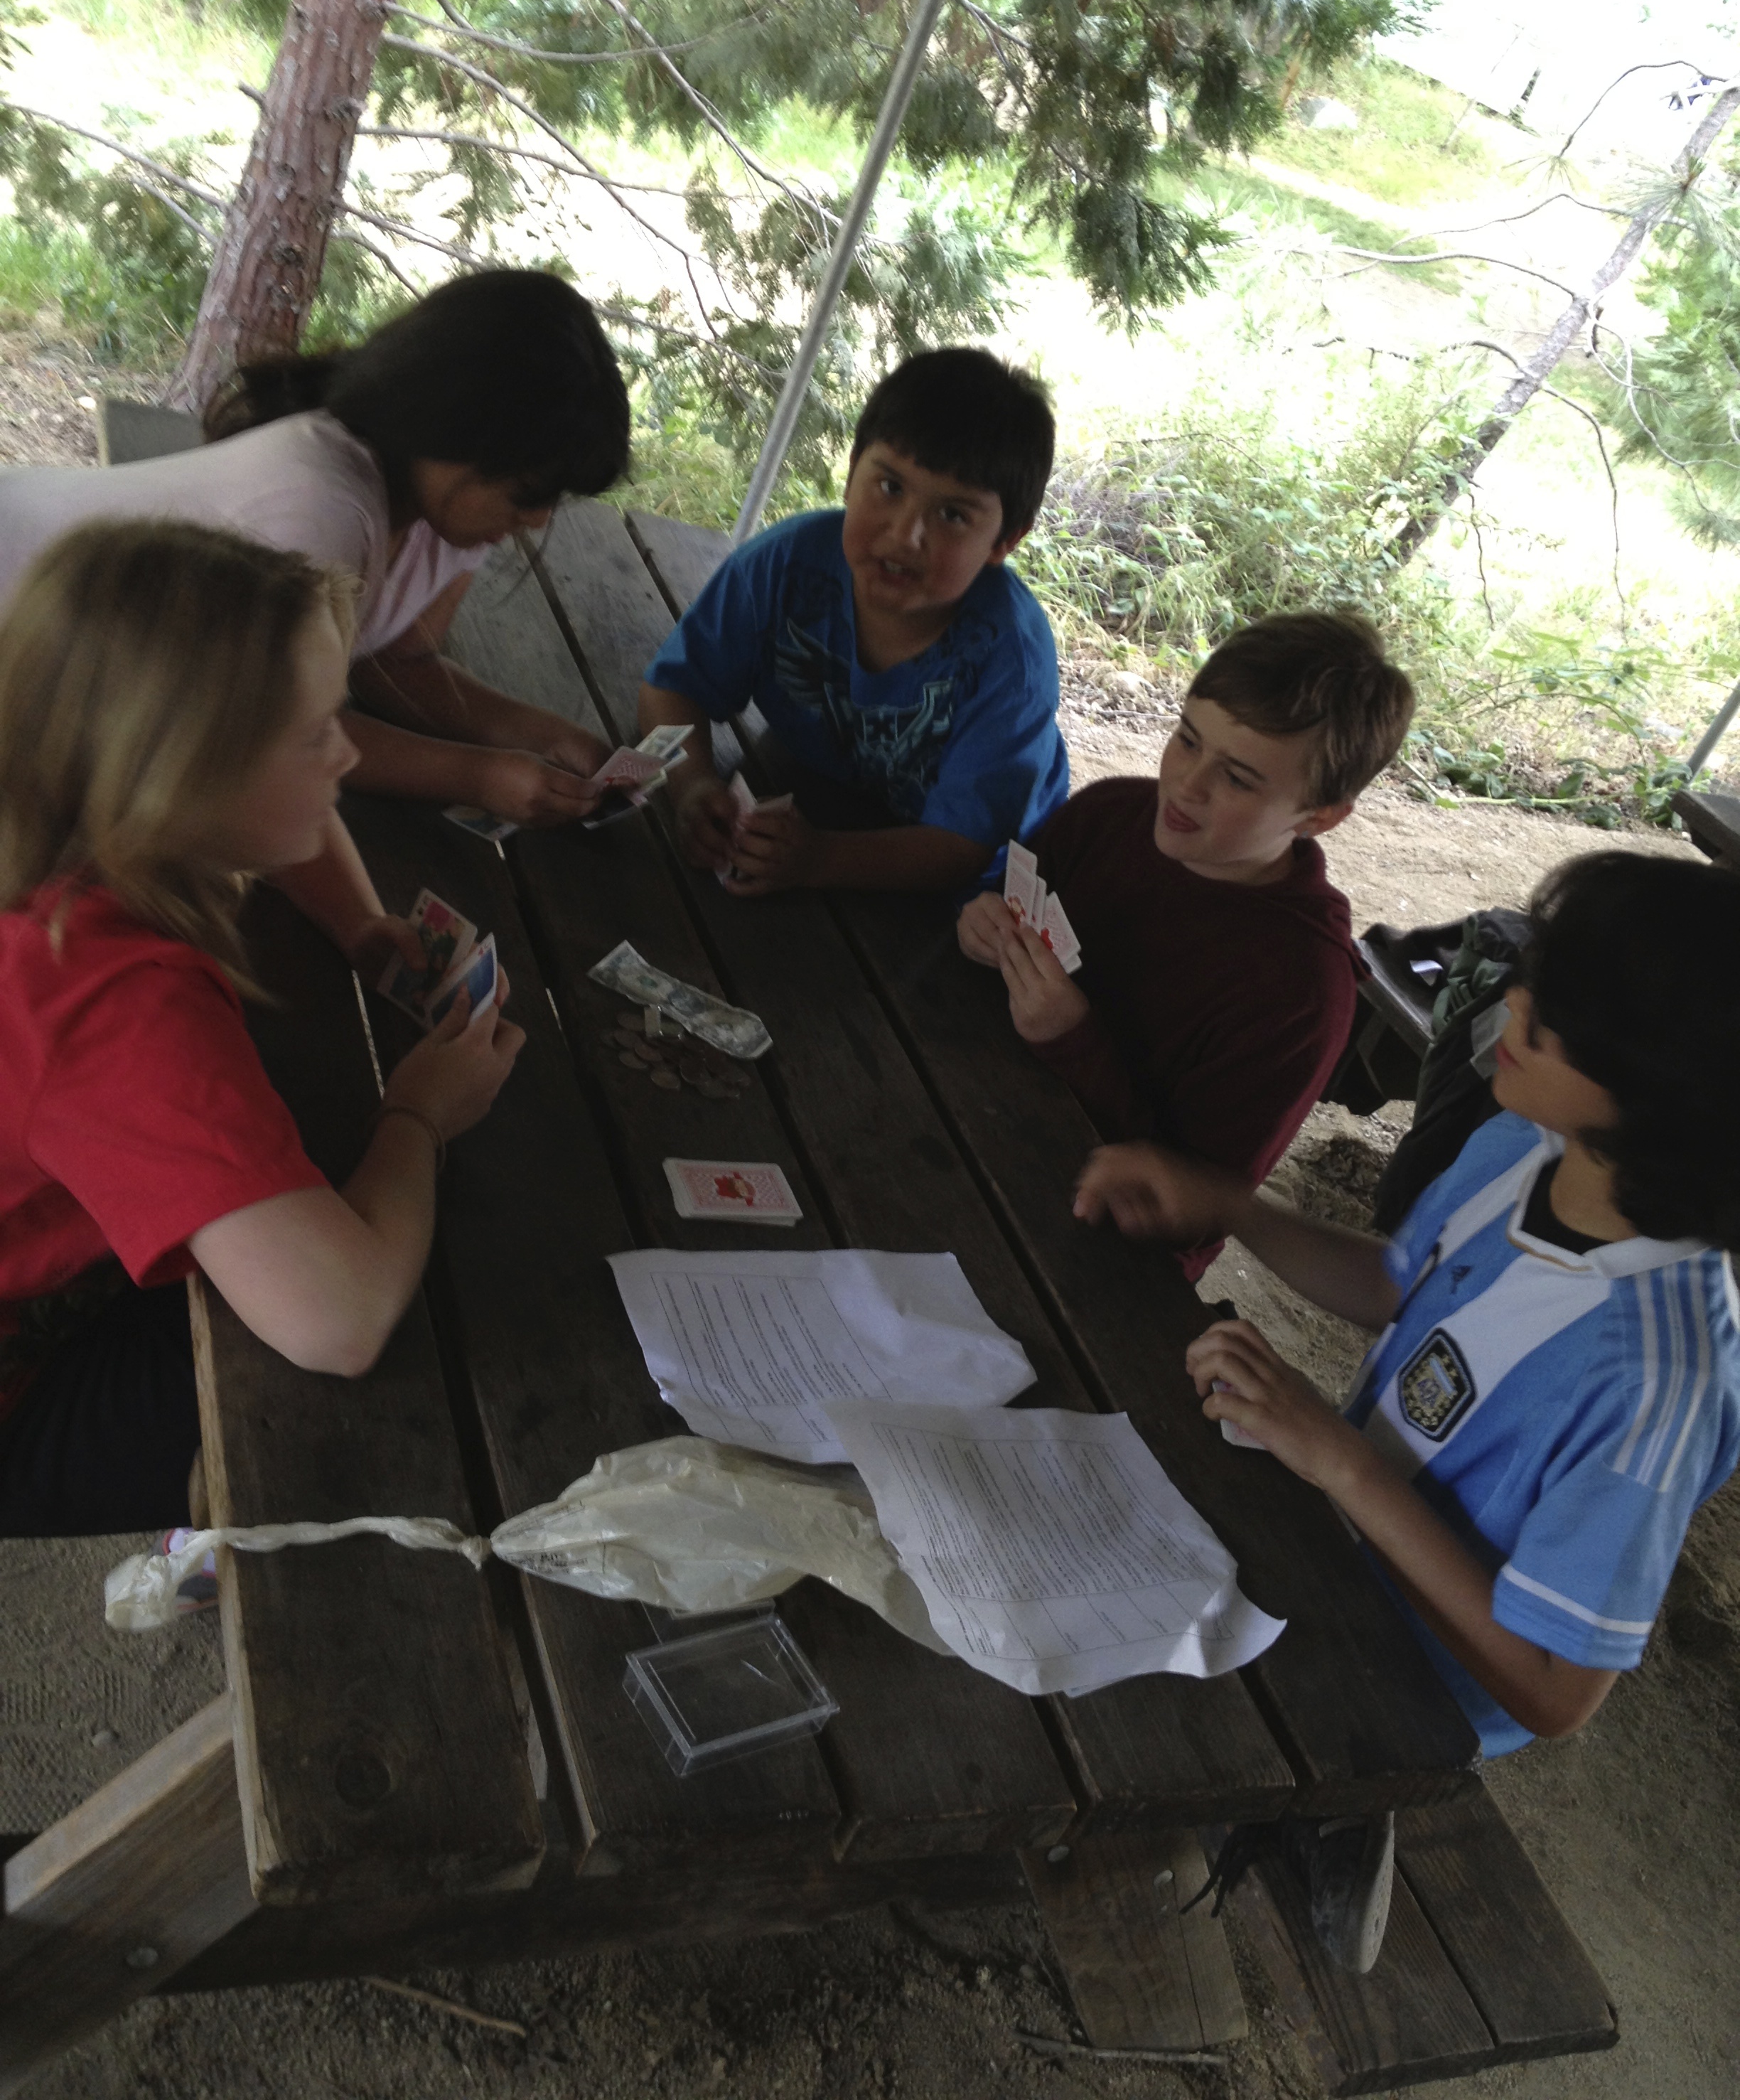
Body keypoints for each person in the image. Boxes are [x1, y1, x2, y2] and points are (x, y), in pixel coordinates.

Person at [1076, 850, 1740, 1969]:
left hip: (1415, 1676)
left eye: (1551, 1018)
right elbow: (1397, 1285)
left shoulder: (1659, 1382)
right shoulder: (1522, 1145)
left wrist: (1341, 1462)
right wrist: (1230, 1203)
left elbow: (1554, 1693)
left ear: (1656, 1097)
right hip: (1330, 1538)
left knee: (1149, 1743)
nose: (1509, 1007)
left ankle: (1350, 1798)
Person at [0, 520, 525, 1538]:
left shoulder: (56, 808)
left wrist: (359, 923)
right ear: (185, 775)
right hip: (18, 1401)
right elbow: (341, 1319)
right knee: (357, 1386)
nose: (349, 753)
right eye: (316, 731)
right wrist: (419, 1114)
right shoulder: (115, 1002)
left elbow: (289, 818)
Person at [0, 269, 632, 829]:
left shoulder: (453, 512)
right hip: (26, 648)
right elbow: (268, 734)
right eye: (527, 493)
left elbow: (398, 662)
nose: (537, 520)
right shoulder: (324, 507)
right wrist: (478, 776)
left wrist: (539, 734)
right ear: (450, 429)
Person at [957, 610, 1414, 1277]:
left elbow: (1198, 1207)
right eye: (1188, 739)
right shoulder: (1110, 815)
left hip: (1090, 1245)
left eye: (1238, 778)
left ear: (1319, 817)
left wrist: (1071, 1038)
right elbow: (1000, 925)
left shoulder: (1302, 990)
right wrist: (981, 929)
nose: (1186, 785)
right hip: (964, 1103)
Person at [638, 348, 1070, 894]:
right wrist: (694, 788)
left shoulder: (1011, 662)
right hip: (819, 786)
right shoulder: (783, 566)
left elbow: (962, 846)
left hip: (976, 879)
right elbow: (670, 690)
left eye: (953, 515)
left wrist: (820, 861)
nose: (906, 535)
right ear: (850, 473)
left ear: (1005, 541)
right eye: (890, 487)